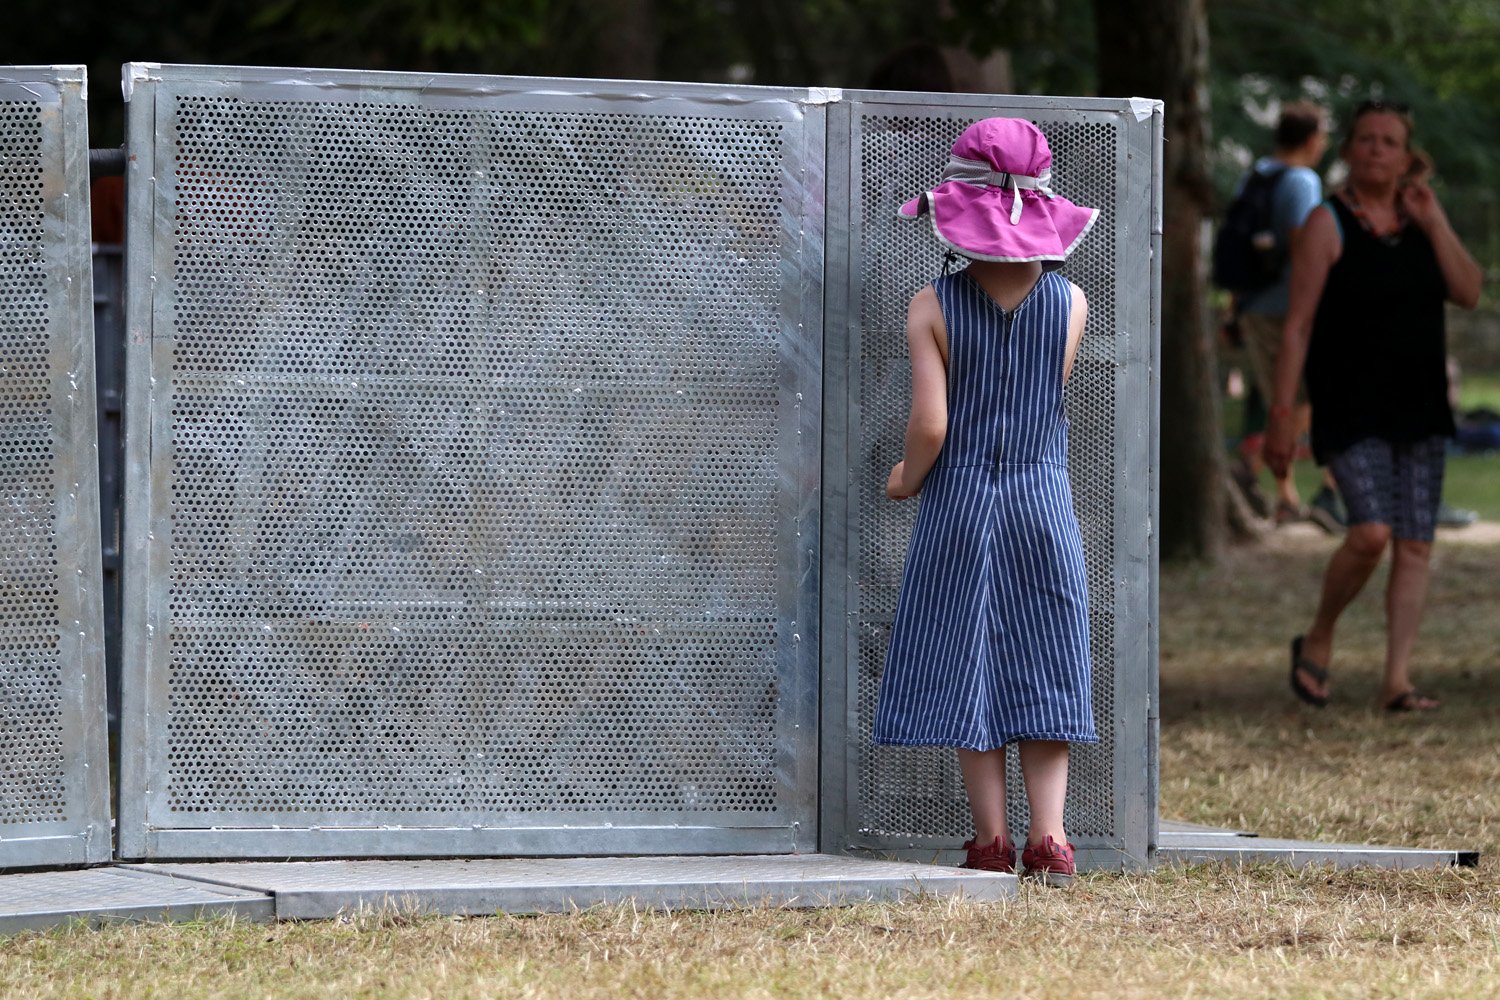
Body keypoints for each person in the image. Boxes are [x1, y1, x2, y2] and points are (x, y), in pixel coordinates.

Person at [874, 118, 1100, 884]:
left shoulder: (931, 305)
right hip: (1042, 501)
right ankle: (1052, 838)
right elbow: (1043, 397)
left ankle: (991, 841)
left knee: (970, 660)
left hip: (961, 505)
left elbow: (931, 426)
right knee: (1046, 657)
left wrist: (907, 476)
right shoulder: (1072, 303)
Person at [1265, 100, 1483, 712]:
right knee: (1369, 533)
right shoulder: (1327, 222)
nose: (1376, 149)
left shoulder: (1422, 223)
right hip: (1349, 404)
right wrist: (1281, 416)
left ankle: (1397, 681)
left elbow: (1469, 290)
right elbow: (1297, 327)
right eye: (1365, 138)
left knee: (1414, 543)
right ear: (1348, 150)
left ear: (1407, 156)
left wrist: (1435, 221)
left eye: (1389, 141)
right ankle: (1321, 632)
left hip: (1420, 404)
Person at [1231, 100, 1344, 530]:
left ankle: (1285, 498)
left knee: (1286, 400)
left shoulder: (1255, 175)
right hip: (1288, 309)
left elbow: (1241, 248)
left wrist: (1234, 308)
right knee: (1301, 402)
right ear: (1312, 139)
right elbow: (1303, 245)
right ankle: (1250, 467)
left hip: (1255, 305)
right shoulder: (1301, 181)